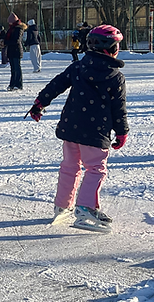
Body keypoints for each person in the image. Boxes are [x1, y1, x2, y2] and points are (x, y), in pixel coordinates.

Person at [26, 25, 128, 233]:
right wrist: (122, 131)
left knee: (70, 166)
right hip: (96, 132)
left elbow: (56, 85)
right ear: (111, 48)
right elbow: (119, 108)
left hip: (71, 128)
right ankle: (85, 209)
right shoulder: (115, 76)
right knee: (95, 168)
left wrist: (39, 103)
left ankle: (63, 206)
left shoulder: (78, 67)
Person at [5, 13, 24, 91]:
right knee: (13, 69)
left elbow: (16, 41)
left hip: (16, 51)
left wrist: (6, 42)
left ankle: (18, 84)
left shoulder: (18, 29)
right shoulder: (11, 29)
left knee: (17, 68)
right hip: (11, 51)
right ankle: (12, 84)